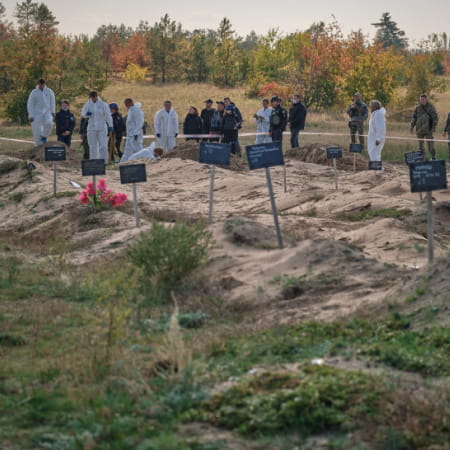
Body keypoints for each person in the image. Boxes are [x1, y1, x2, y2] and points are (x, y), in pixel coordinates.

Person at [81, 91, 113, 164]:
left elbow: (108, 115)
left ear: (96, 96)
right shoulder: (88, 104)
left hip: (102, 127)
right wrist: (86, 114)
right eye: (91, 97)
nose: (93, 99)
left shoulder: (103, 104)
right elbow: (83, 113)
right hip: (91, 127)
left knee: (103, 145)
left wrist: (110, 125)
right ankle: (93, 161)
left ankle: (104, 161)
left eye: (94, 97)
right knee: (92, 145)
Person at [27, 78, 56, 146]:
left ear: (44, 84)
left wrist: (53, 111)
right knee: (37, 132)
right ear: (38, 84)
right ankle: (37, 147)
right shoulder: (34, 92)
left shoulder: (49, 91)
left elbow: (52, 102)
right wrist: (31, 115)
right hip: (36, 113)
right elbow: (30, 104)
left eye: (42, 84)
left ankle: (44, 136)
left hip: (47, 112)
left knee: (49, 123)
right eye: (40, 84)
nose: (41, 86)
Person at [411, 94, 439, 160]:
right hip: (419, 129)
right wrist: (412, 126)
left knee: (430, 144)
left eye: (423, 99)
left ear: (426, 99)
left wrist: (433, 127)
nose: (422, 101)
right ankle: (422, 157)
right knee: (420, 145)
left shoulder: (431, 107)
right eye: (421, 100)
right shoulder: (417, 108)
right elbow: (414, 118)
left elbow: (435, 118)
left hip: (428, 129)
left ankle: (433, 157)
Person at [120, 98, 145, 162]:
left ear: (131, 103)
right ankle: (122, 163)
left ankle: (142, 161)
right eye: (125, 104)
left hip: (135, 134)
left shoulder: (136, 110)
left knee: (138, 149)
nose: (126, 106)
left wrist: (136, 132)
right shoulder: (131, 110)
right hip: (130, 134)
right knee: (128, 150)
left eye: (127, 104)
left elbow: (139, 122)